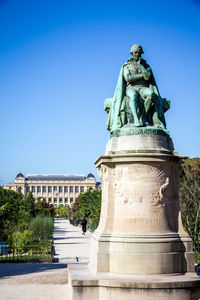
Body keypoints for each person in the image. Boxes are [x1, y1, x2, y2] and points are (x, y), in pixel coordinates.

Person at [105, 44, 169, 133]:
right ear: (132, 53)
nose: (137, 54)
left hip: (143, 87)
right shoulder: (126, 66)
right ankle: (136, 119)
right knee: (133, 96)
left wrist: (140, 66)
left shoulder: (146, 65)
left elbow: (147, 77)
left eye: (139, 53)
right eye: (135, 52)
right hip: (131, 87)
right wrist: (142, 75)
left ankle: (143, 116)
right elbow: (128, 78)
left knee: (150, 94)